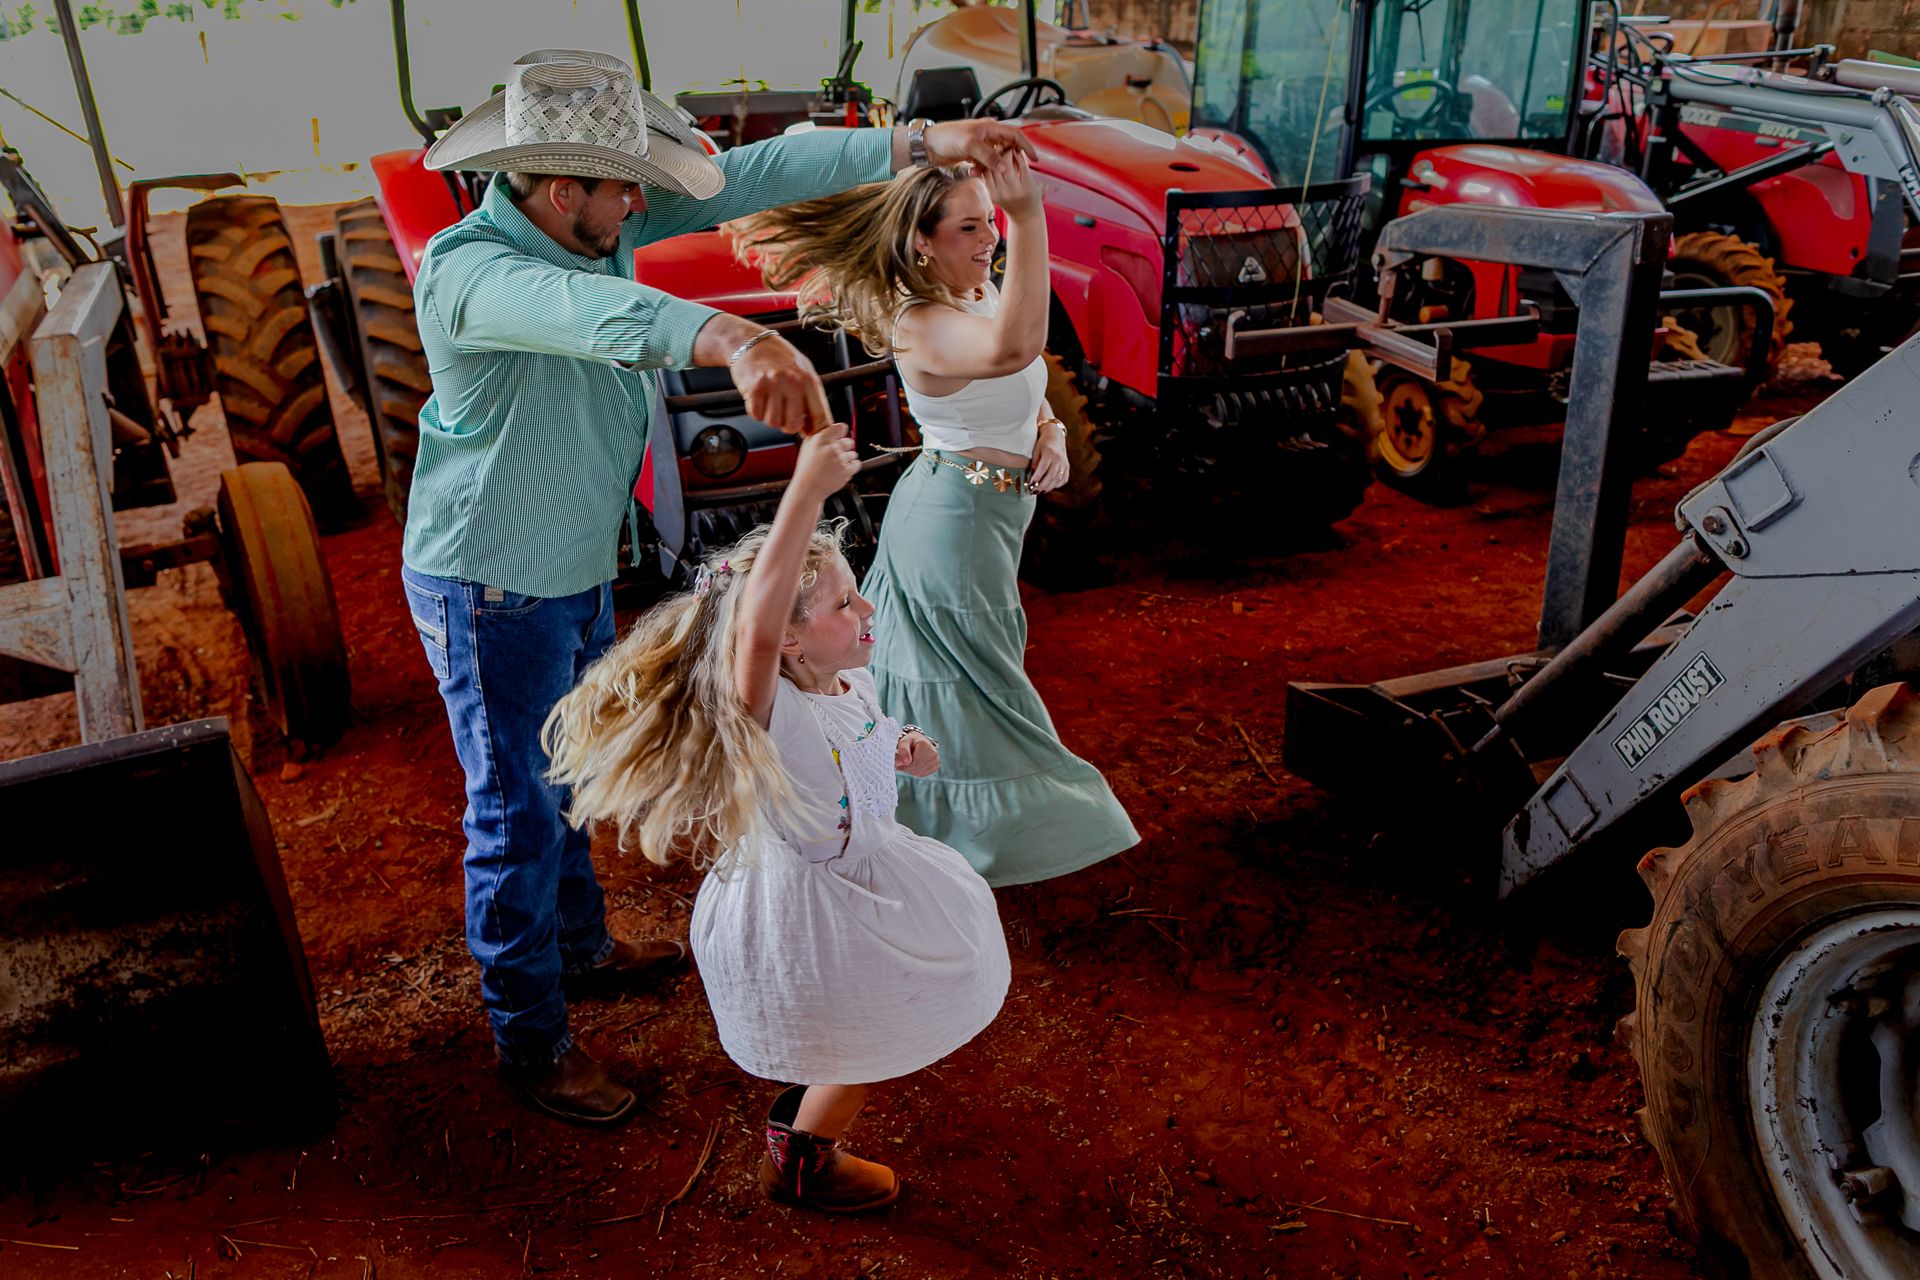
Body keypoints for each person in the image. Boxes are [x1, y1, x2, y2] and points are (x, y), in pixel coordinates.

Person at [399, 47, 1033, 1127]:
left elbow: (748, 174)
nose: (642, 201)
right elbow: (583, 315)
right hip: (491, 582)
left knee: (570, 771)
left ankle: (583, 948)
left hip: (567, 560)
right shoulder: (473, 270)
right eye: (623, 186)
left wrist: (923, 143)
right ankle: (532, 1039)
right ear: (565, 191)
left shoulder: (592, 224)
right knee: (515, 808)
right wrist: (731, 333)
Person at [544, 422, 1010, 1213]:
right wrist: (807, 490)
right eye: (842, 601)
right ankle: (802, 1158)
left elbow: (860, 736)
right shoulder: (772, 708)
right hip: (809, 901)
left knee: (875, 1009)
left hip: (871, 874)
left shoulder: (846, 684)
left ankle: (812, 1096)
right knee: (871, 1029)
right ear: (788, 637)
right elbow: (754, 628)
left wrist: (901, 745)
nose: (867, 608)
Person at [727, 150, 1138, 886]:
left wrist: (1050, 431)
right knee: (974, 676)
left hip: (988, 512)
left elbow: (1021, 374)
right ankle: (960, 837)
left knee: (976, 667)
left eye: (993, 223)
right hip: (952, 521)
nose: (990, 239)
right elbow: (1013, 347)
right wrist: (1031, 215)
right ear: (923, 240)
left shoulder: (979, 291)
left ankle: (916, 818)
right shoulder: (921, 321)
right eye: (971, 226)